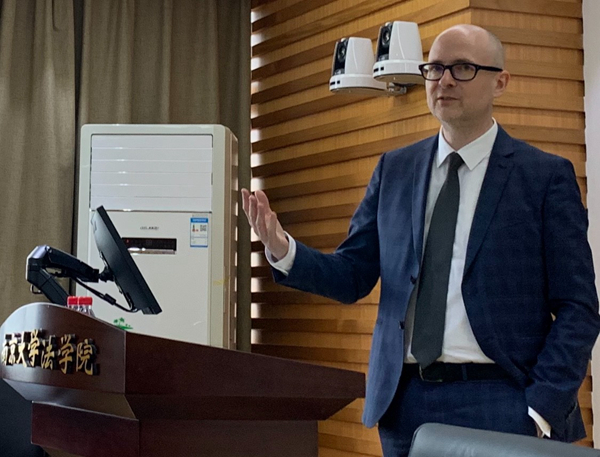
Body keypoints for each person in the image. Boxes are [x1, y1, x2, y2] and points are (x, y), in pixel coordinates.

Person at [242, 24, 600, 456]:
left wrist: (541, 407)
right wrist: (283, 250)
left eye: (462, 68)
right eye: (434, 68)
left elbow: (579, 307)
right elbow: (352, 275)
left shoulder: (543, 176)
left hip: (503, 400)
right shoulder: (395, 169)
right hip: (405, 404)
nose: (444, 80)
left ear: (500, 82)